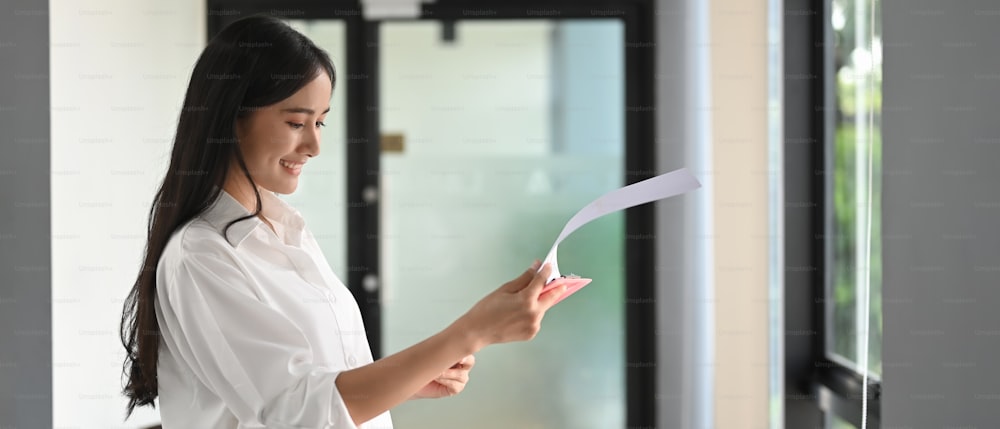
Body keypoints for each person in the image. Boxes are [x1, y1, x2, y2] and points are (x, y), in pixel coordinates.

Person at [118, 15, 571, 429]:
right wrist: (469, 332)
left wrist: (410, 379)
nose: (314, 145)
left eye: (321, 123)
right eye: (297, 122)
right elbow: (295, 412)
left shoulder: (284, 231)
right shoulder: (201, 255)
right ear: (231, 118)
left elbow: (312, 386)